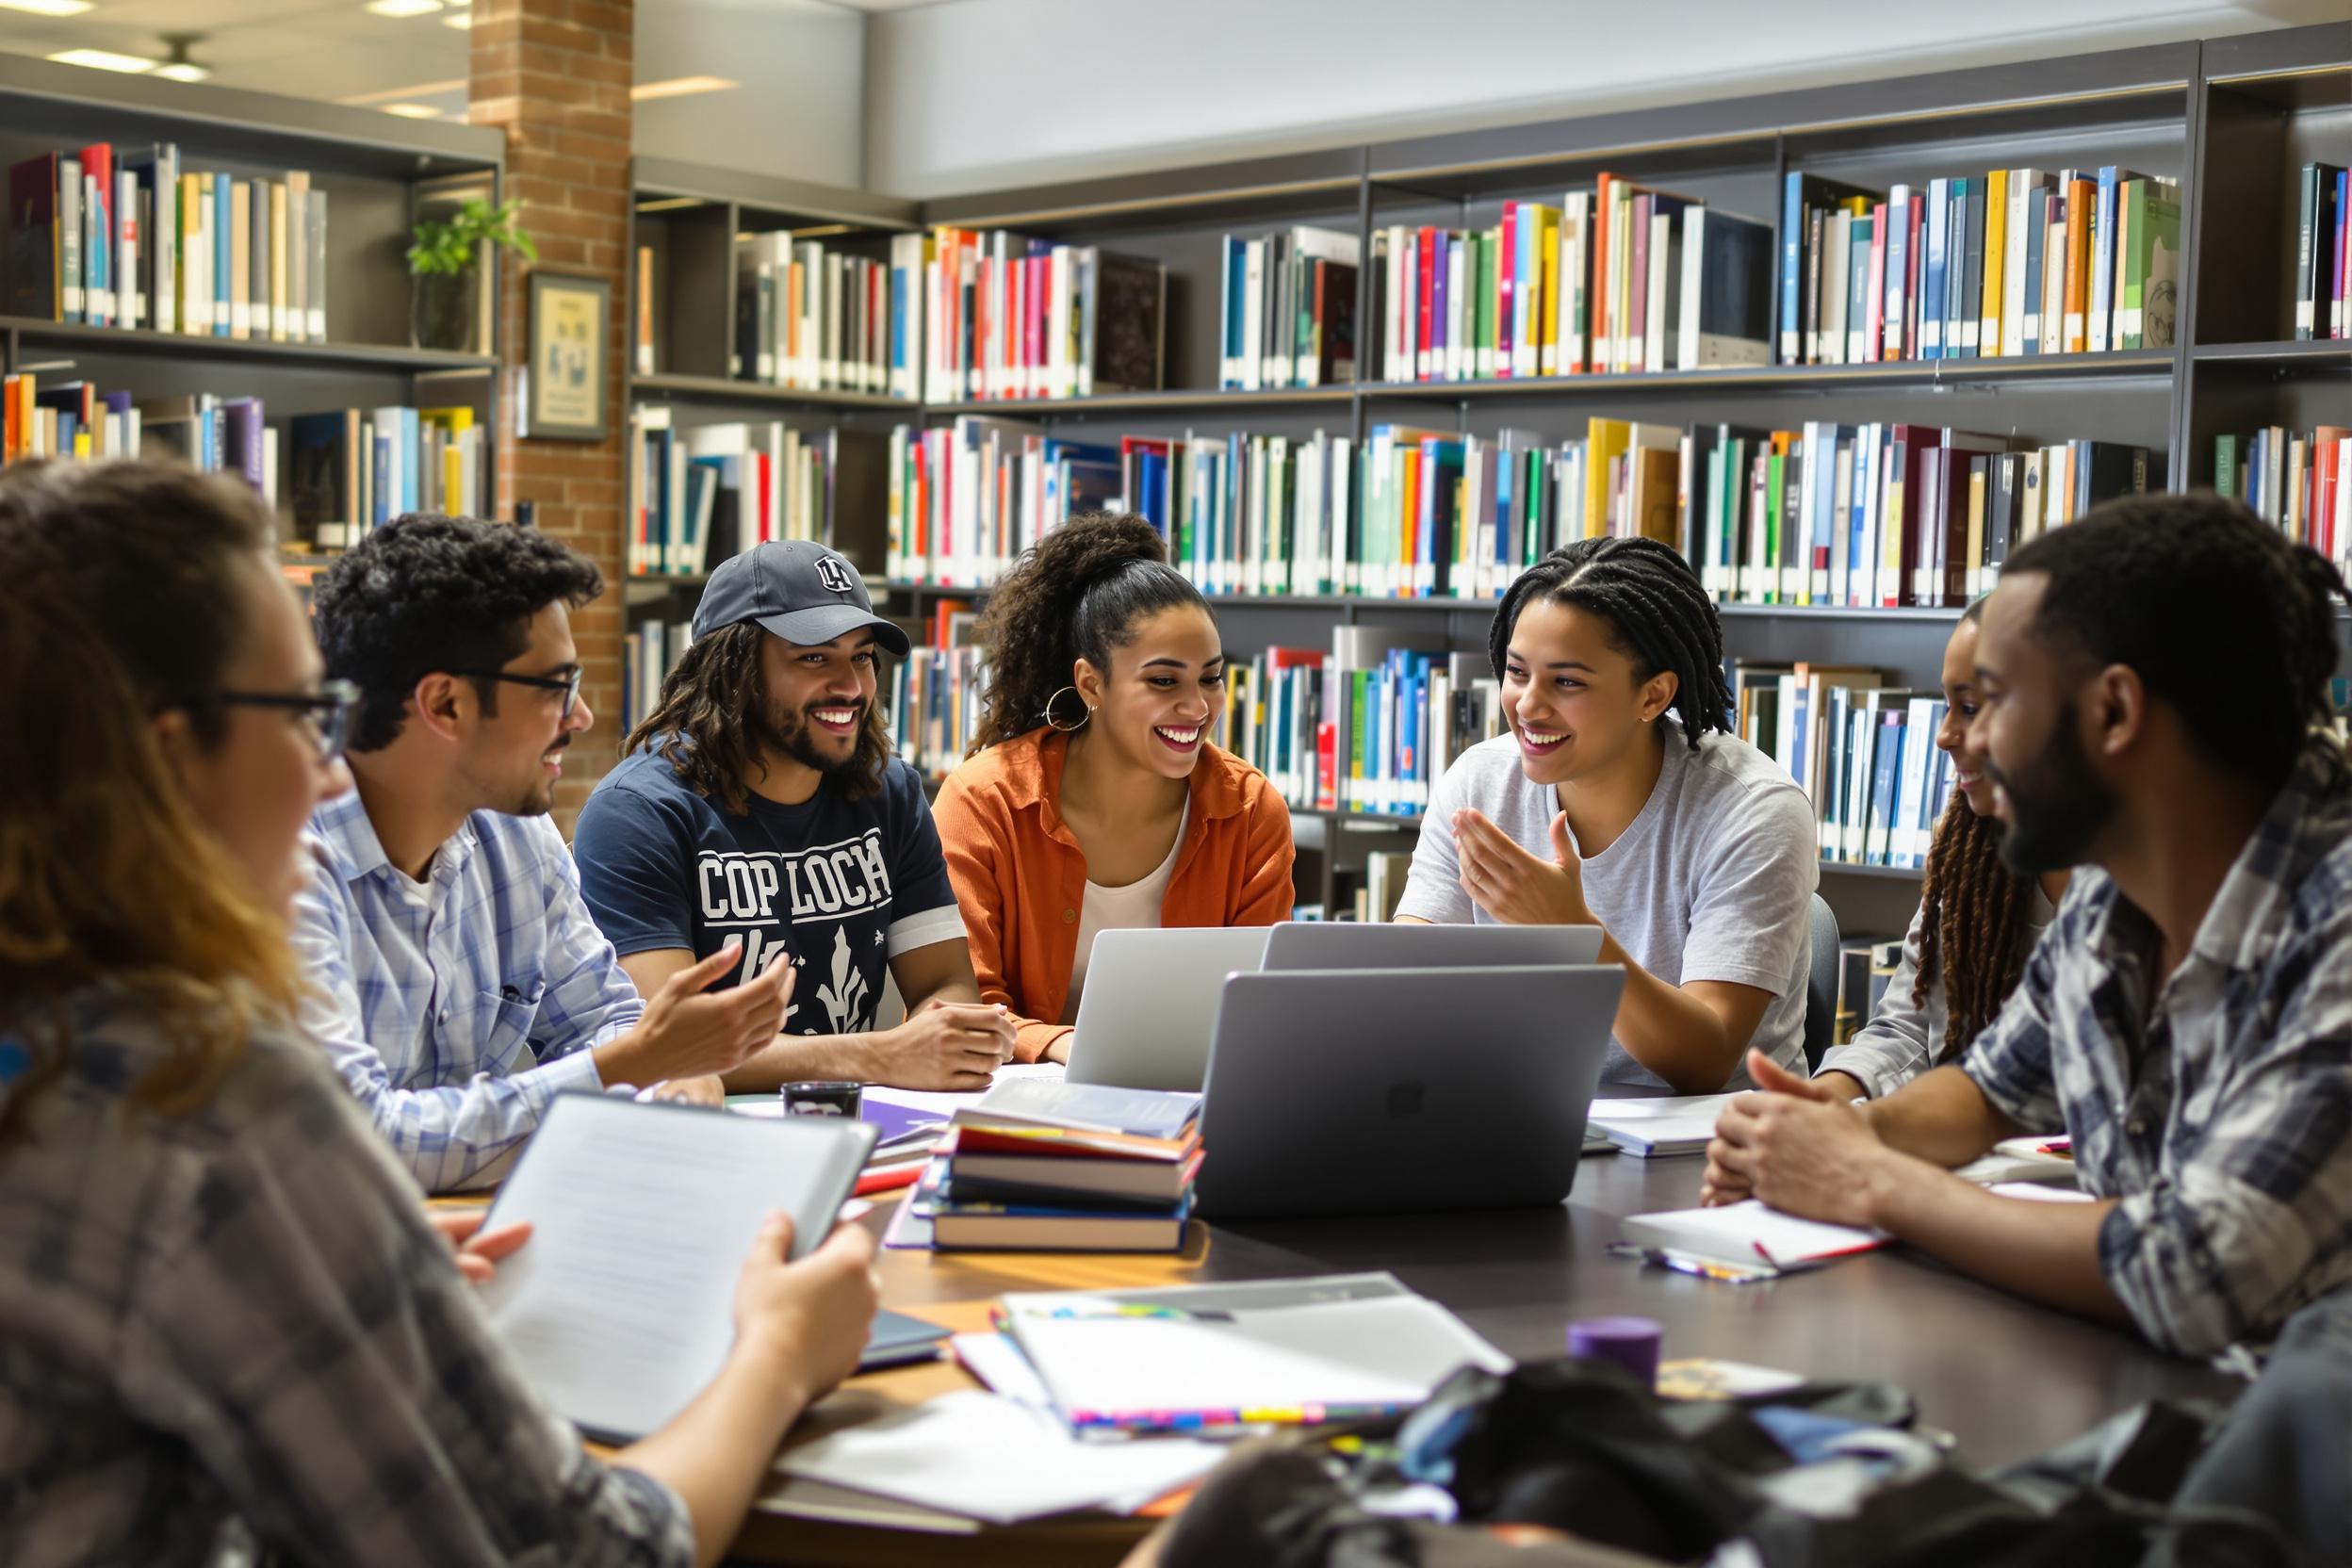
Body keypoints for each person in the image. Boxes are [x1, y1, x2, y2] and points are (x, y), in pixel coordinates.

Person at [0, 459, 879, 1568]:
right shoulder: (207, 1102)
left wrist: (348, 1248)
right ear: (172, 759)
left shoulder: (66, 1046)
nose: (327, 773)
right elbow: (584, 1551)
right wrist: (782, 1353)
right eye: (298, 713)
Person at [1705, 492, 2352, 1358]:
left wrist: (1870, 1181)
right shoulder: (2118, 886)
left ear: (2114, 713)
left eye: (1994, 700)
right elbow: (1990, 1089)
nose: (1964, 742)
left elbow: (2198, 1274)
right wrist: (1836, 1132)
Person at [297, 514, 793, 1194]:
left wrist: (667, 1075)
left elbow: (607, 1019)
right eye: (557, 686)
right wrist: (634, 1066)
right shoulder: (283, 866)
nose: (582, 716)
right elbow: (356, 1144)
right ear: (445, 705)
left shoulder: (517, 836)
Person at [574, 539, 1012, 1091]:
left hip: (850, 1124)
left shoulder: (892, 793)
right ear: (731, 669)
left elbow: (945, 984)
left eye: (861, 657)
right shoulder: (637, 815)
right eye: (814, 658)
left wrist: (942, 1039)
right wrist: (880, 1056)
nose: (852, 687)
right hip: (709, 1137)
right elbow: (664, 1047)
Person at [1394, 536, 1817, 1093]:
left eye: (1567, 682)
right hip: (1525, 1109)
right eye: (1517, 672)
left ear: (1654, 695)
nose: (1527, 705)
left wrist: (1573, 931)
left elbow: (1704, 1060)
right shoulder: (1481, 782)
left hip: (1709, 1146)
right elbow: (1403, 985)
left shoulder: (1753, 810)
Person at [932, 514, 1296, 1065]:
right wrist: (1063, 1046)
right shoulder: (985, 802)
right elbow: (961, 1003)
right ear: (1091, 683)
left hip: (1184, 1105)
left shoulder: (1249, 811)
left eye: (1211, 678)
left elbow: (1259, 1005)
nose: (1197, 708)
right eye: (1163, 681)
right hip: (1018, 1108)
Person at [1815, 599, 2070, 1101]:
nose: (1944, 735)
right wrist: (1829, 1096)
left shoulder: (2151, 891)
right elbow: (1906, 1031)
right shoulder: (1971, 853)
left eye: (1971, 708)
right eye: (1947, 705)